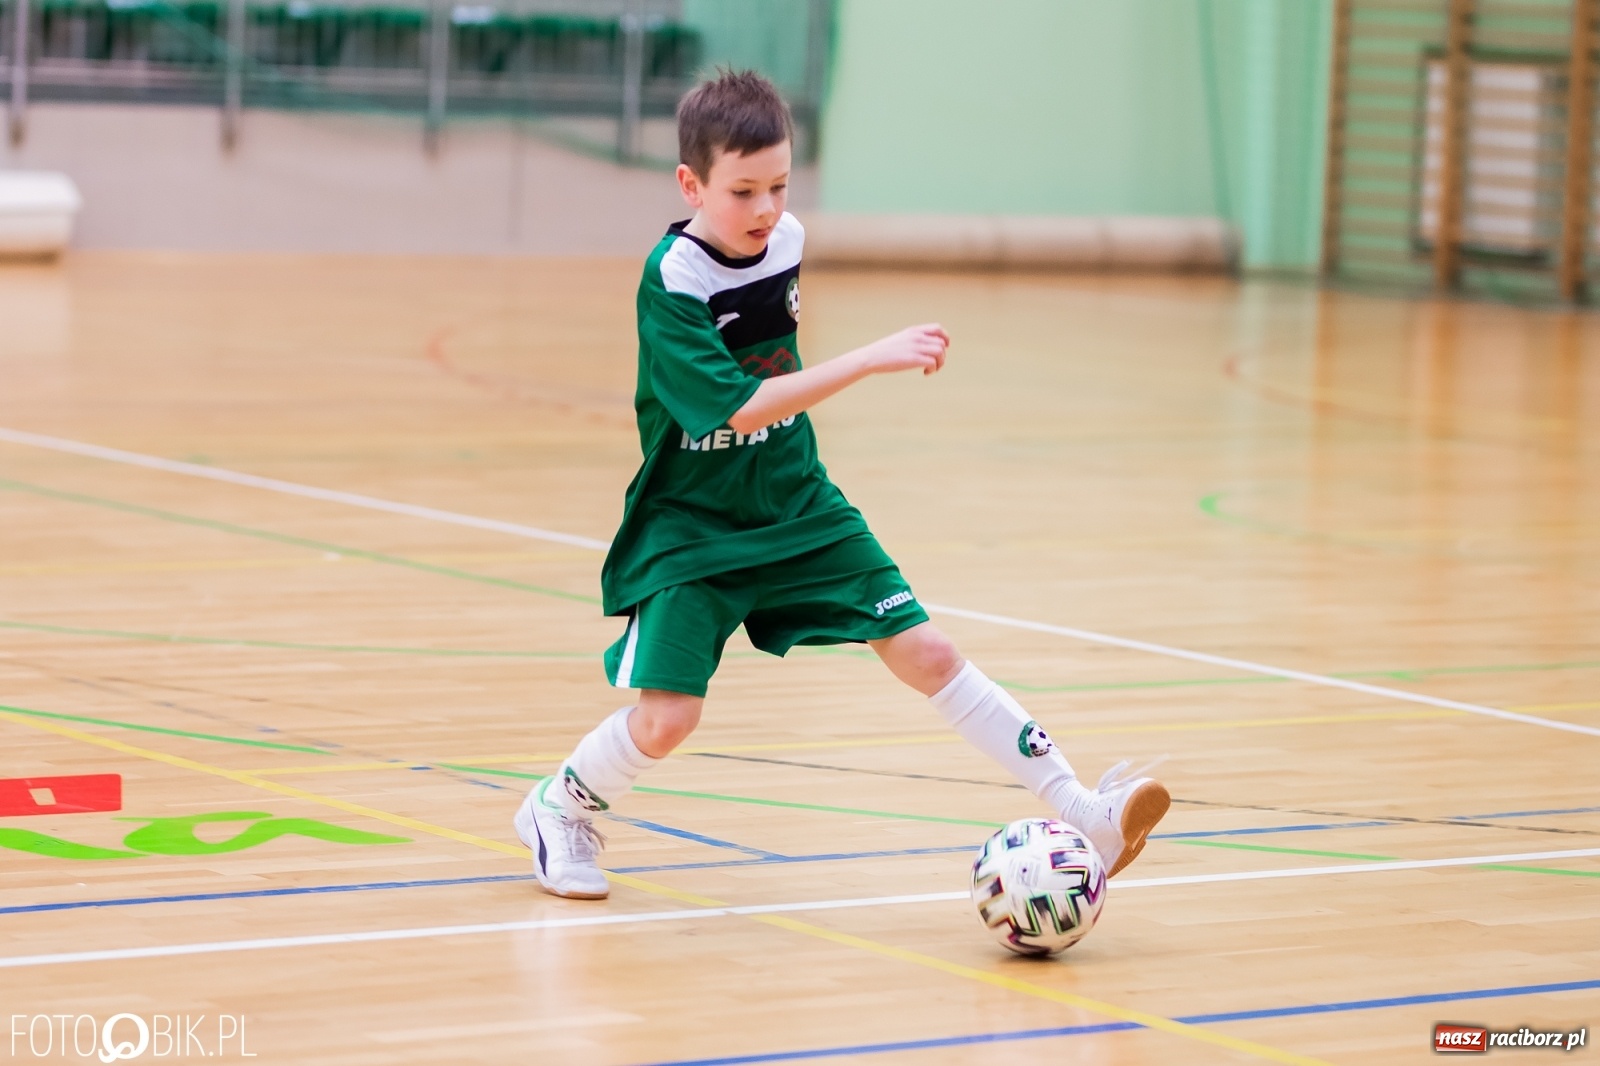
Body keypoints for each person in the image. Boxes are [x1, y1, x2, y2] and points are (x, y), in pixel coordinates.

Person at [515, 70, 1169, 899]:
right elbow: (741, 407)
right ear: (690, 184)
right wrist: (866, 358)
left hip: (796, 498)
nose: (765, 209)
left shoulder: (783, 239)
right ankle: (557, 808)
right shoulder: (672, 280)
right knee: (669, 719)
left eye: (780, 185)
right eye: (742, 190)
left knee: (929, 649)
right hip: (694, 522)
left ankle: (1084, 811)